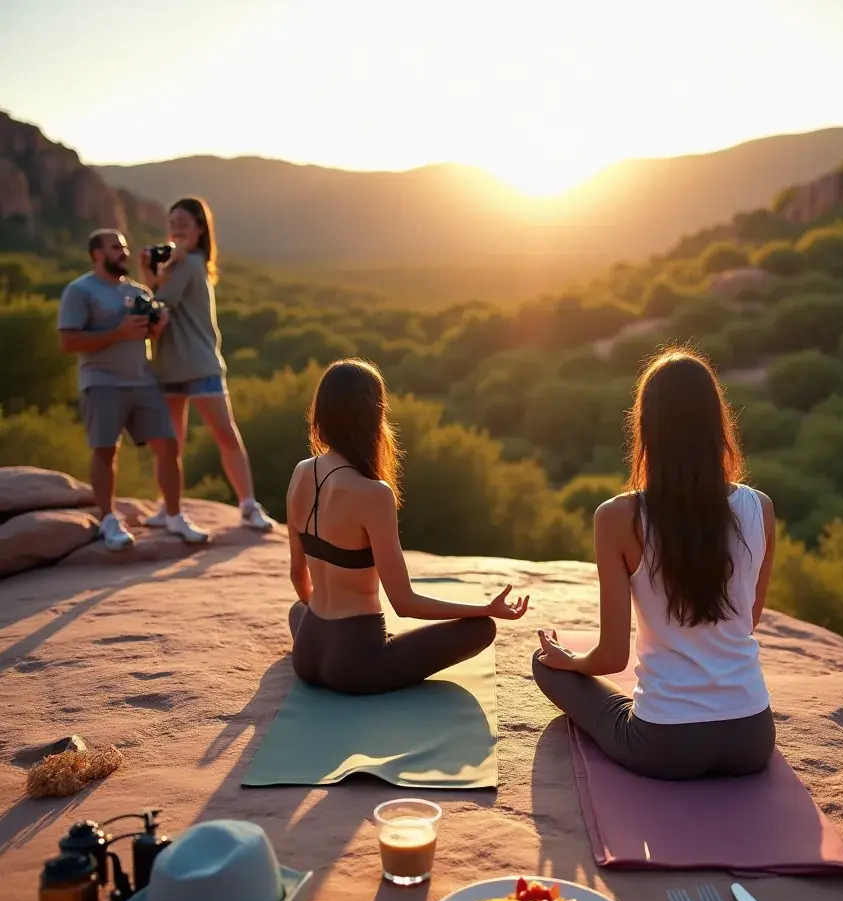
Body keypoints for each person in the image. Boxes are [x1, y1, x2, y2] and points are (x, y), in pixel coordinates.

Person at [532, 349, 777, 781]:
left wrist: (571, 660)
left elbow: (610, 657)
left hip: (665, 745)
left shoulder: (617, 517)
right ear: (717, 424)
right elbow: (748, 621)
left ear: (647, 427)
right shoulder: (760, 508)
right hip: (752, 737)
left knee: (543, 663)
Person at [287, 358, 529, 694]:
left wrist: (319, 625)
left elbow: (298, 573)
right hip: (355, 663)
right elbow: (405, 602)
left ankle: (320, 639)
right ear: (374, 416)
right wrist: (484, 608)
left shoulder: (302, 472)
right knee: (481, 629)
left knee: (299, 609)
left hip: (307, 654)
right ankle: (365, 650)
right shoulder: (373, 493)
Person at [58, 230, 209, 551]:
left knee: (168, 446)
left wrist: (156, 326)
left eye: (124, 247)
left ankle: (173, 515)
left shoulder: (138, 291)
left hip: (142, 380)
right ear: (97, 253)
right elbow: (69, 342)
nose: (123, 253)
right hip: (101, 381)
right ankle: (109, 520)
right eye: (115, 247)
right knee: (105, 450)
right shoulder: (80, 290)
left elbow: (147, 336)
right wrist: (118, 331)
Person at [139, 196, 275, 532]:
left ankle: (247, 505)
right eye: (172, 224)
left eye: (184, 224)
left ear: (201, 229)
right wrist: (154, 272)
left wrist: (149, 273)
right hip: (172, 364)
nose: (176, 231)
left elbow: (160, 301)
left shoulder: (190, 263)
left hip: (198, 363)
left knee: (222, 434)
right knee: (173, 444)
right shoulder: (176, 264)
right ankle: (169, 506)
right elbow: (157, 306)